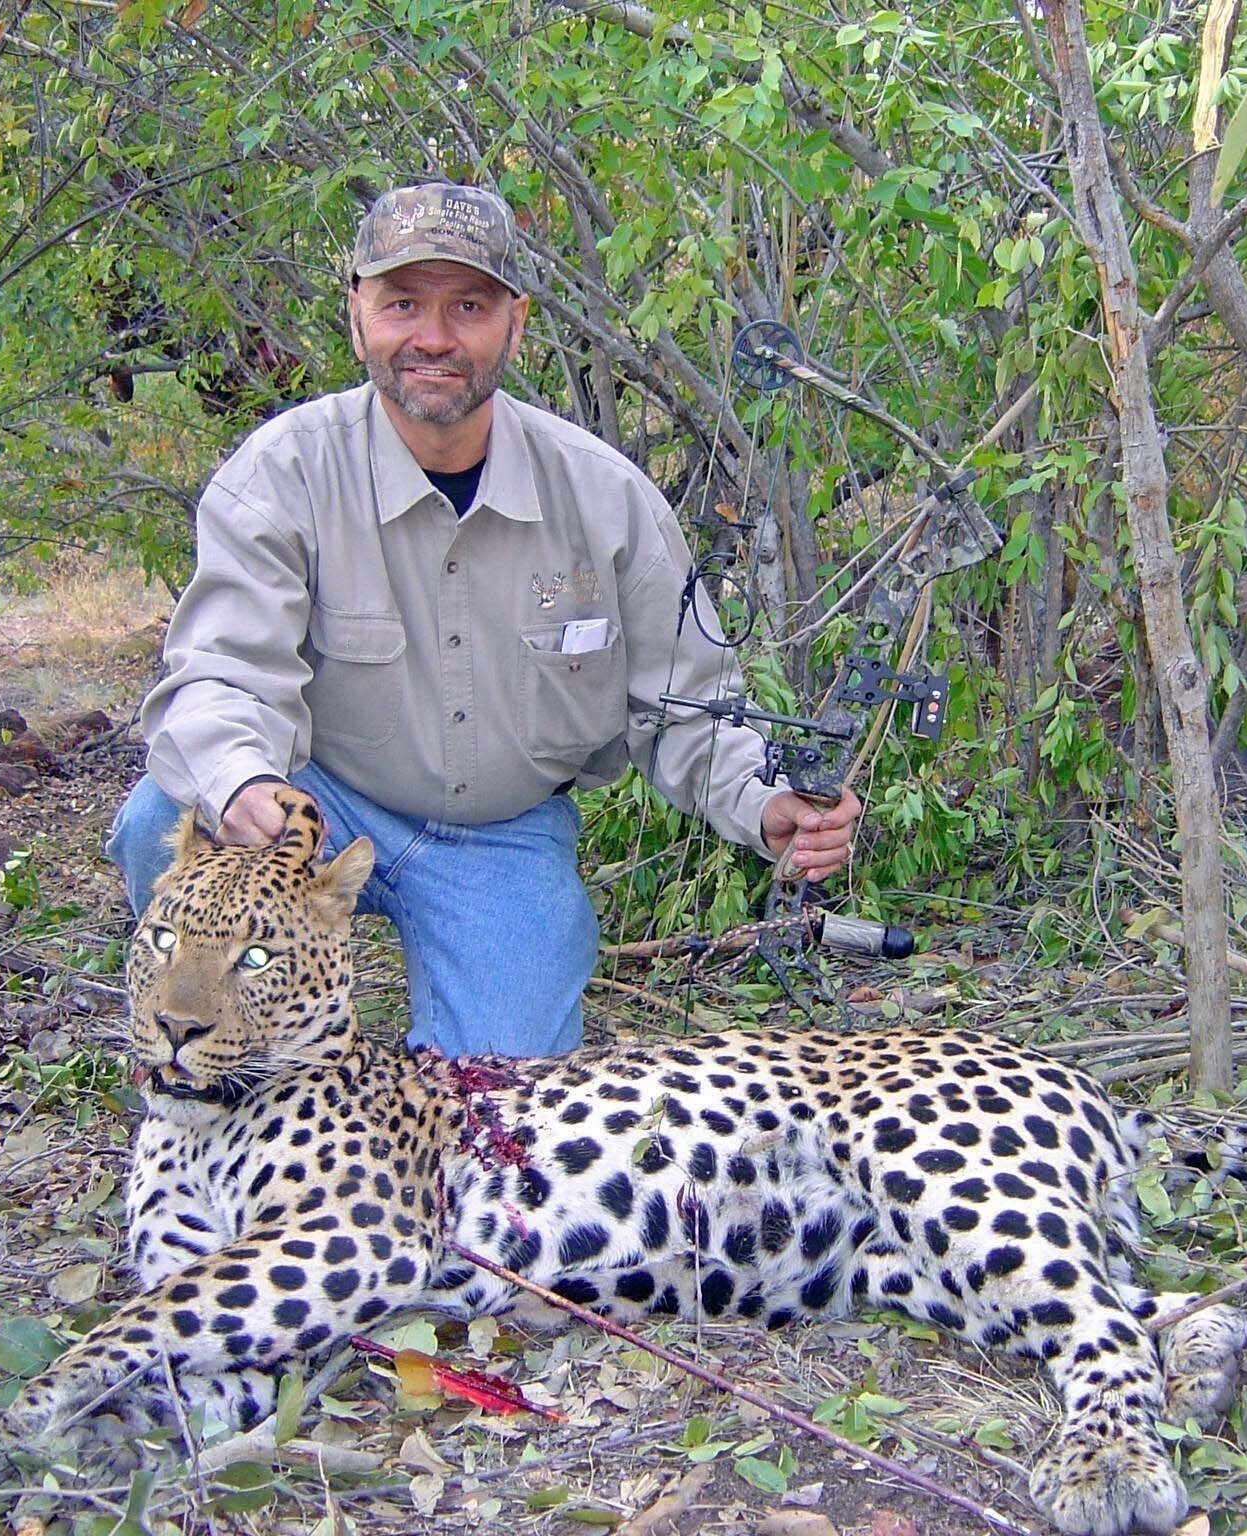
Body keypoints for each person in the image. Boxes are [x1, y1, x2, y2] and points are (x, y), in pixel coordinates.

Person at [107, 182, 863, 1058]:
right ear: (356, 313)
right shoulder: (281, 475)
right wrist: (241, 783)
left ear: (515, 322)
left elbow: (691, 708)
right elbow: (222, 677)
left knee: (498, 1110)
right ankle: (222, 1058)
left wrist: (767, 803)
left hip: (501, 838)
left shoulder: (605, 497)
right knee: (159, 812)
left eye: (468, 305)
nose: (433, 337)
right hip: (319, 804)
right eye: (401, 304)